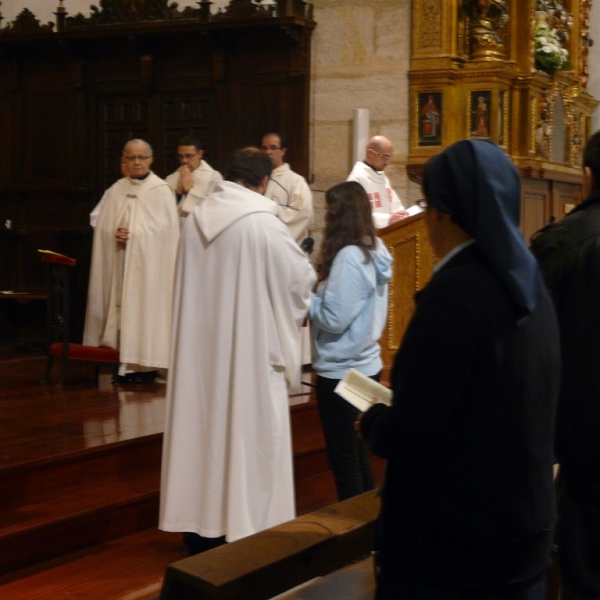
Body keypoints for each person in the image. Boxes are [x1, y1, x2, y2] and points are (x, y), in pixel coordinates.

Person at [359, 140, 561, 600]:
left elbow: (413, 429)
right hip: (523, 534)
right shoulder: (532, 286)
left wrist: (373, 422)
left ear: (443, 213)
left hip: (454, 552)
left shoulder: (454, 295)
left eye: (428, 204)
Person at [159, 147, 316, 555]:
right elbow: (300, 282)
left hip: (200, 355)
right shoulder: (265, 224)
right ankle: (244, 530)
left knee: (202, 434)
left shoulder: (195, 221)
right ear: (264, 182)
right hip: (247, 356)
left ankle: (200, 527)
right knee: (246, 438)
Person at [530, 130, 600, 600]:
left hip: (584, 440)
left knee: (586, 571)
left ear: (588, 176)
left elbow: (531, 347)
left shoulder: (561, 242)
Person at [309, 181, 392, 501]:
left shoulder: (348, 257)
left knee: (344, 459)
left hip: (340, 371)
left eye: (330, 212)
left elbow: (334, 318)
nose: (327, 219)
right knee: (357, 453)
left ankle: (352, 536)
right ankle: (367, 530)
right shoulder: (375, 248)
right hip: (366, 364)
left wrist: (309, 297)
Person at [83, 139, 179, 383]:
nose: (136, 162)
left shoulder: (161, 191)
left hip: (148, 269)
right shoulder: (115, 190)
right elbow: (100, 223)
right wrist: (113, 231)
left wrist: (136, 235)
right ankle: (115, 360)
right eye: (131, 157)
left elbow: (168, 234)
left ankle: (146, 363)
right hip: (119, 263)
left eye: (141, 157)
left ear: (151, 160)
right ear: (123, 161)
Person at [261, 132, 313, 245]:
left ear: (283, 151)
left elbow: (303, 215)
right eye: (264, 148)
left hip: (285, 248)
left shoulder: (295, 181)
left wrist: (267, 211)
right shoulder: (256, 178)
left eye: (273, 148)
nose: (268, 152)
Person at [346, 135, 408, 228]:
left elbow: (396, 207)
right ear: (370, 153)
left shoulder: (383, 178)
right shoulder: (356, 180)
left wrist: (402, 216)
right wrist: (387, 219)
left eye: (389, 158)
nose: (387, 162)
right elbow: (354, 215)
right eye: (384, 157)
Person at [165, 136, 223, 227]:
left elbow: (215, 210)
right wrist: (178, 195)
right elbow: (163, 212)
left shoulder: (213, 177)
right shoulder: (171, 178)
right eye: (181, 156)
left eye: (189, 156)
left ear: (200, 154)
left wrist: (189, 192)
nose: (184, 161)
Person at [90, 158, 129, 228]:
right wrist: (113, 230)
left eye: (128, 162)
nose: (125, 166)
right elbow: (95, 219)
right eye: (123, 163)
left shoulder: (151, 187)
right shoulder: (113, 190)